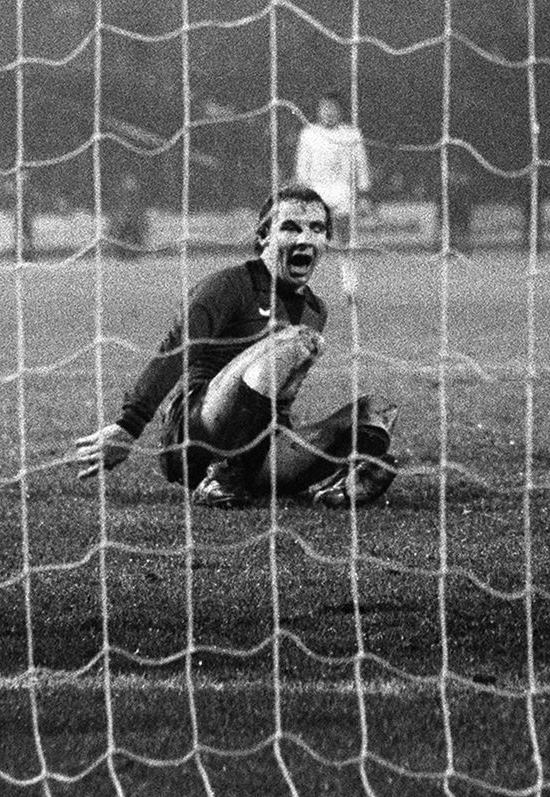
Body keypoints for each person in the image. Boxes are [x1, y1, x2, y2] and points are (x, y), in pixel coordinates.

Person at [73, 184, 399, 508]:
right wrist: (129, 426)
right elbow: (176, 348)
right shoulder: (228, 286)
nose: (305, 239)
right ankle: (222, 475)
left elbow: (279, 397)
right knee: (295, 341)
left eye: (317, 229)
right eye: (290, 227)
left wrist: (300, 447)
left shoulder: (316, 310)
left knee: (378, 412)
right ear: (263, 237)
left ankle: (334, 485)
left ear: (326, 240)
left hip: (259, 447)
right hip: (194, 435)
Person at [294, 94, 371, 243]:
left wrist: (364, 193)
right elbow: (302, 167)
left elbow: (362, 165)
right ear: (318, 111)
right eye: (325, 108)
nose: (329, 112)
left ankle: (347, 265)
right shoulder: (309, 134)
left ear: (340, 111)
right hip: (316, 190)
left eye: (333, 108)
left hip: (342, 190)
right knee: (311, 236)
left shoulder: (352, 134)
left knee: (344, 234)